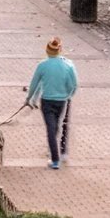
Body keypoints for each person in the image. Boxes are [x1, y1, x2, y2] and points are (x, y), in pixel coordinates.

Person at [25, 37, 78, 169]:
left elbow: (34, 84)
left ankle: (55, 159)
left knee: (50, 128)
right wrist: (68, 94)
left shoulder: (42, 65)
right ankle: (55, 149)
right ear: (59, 50)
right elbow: (74, 84)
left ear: (47, 51)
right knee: (56, 125)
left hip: (47, 100)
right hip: (61, 101)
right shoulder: (68, 65)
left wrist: (29, 99)